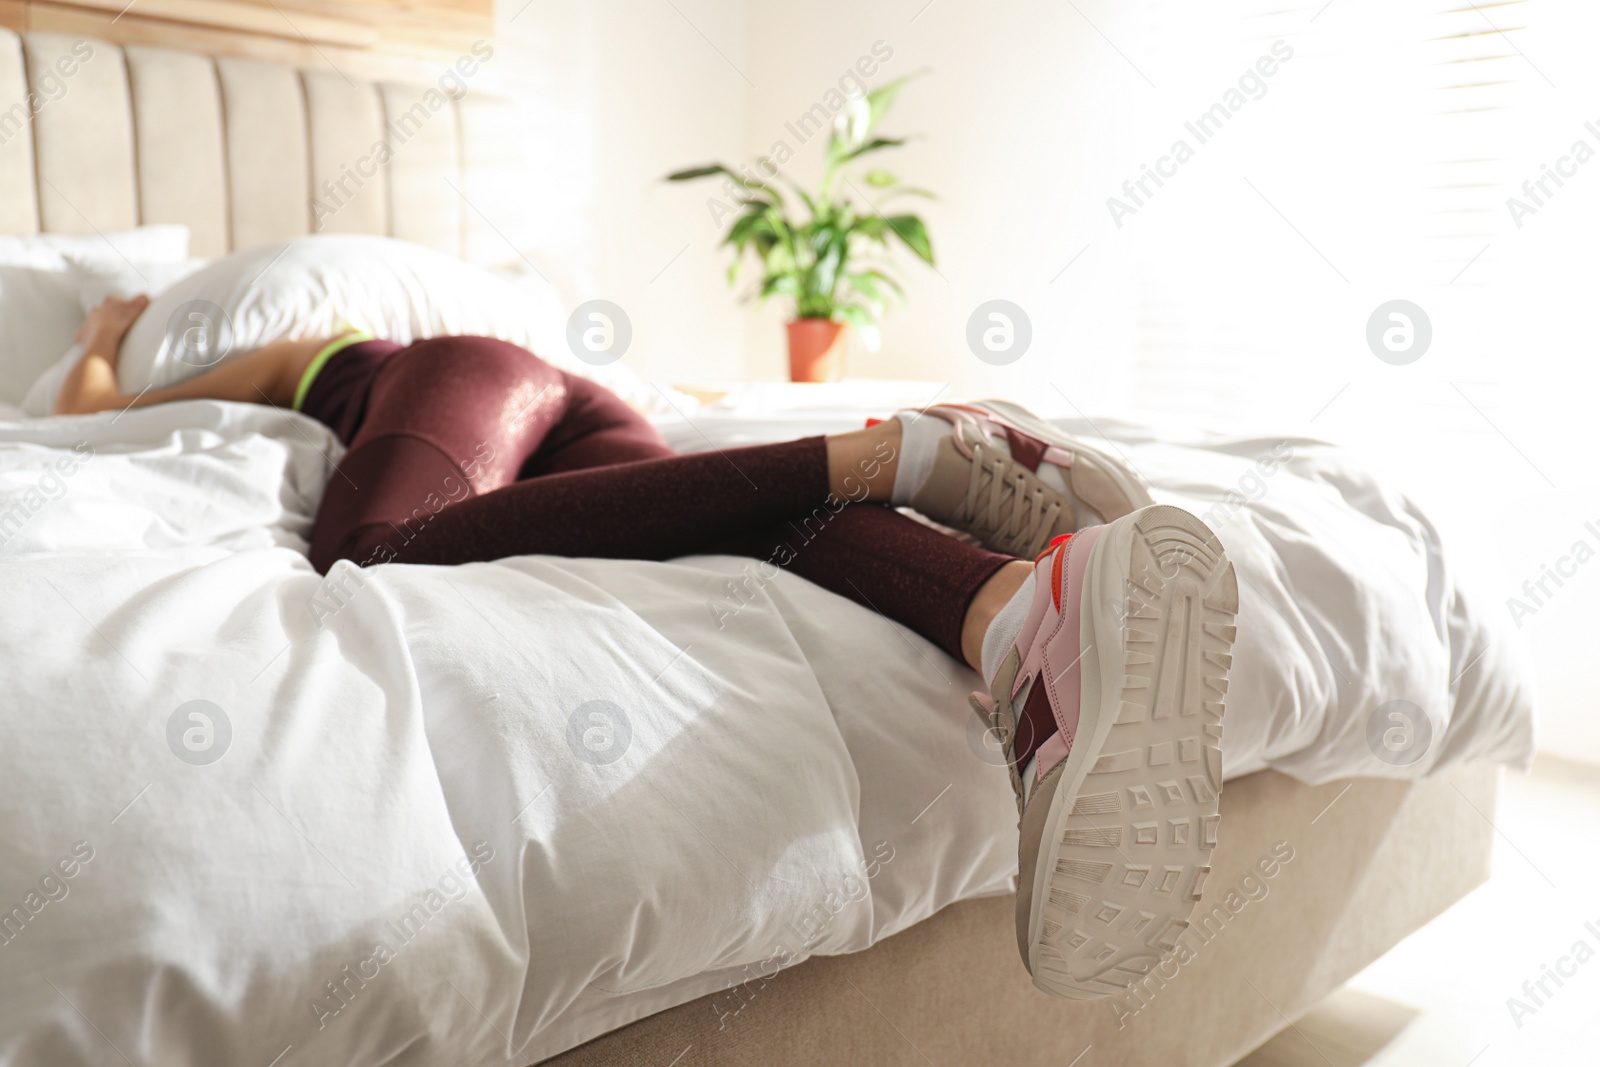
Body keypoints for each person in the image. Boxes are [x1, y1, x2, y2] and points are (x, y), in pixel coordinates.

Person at [56, 293, 1239, 1001]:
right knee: (717, 513)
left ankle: (907, 454)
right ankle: (1023, 620)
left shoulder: (334, 341)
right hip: (607, 413)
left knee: (382, 545)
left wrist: (107, 336)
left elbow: (93, 412)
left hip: (479, 378)